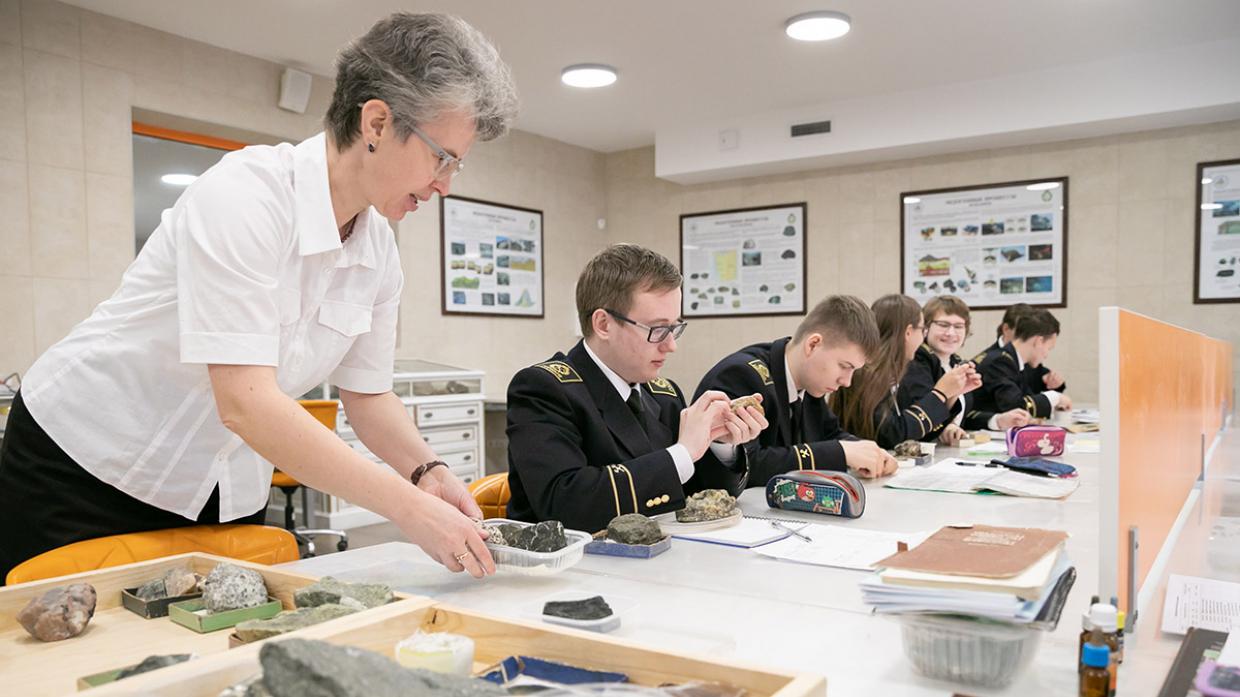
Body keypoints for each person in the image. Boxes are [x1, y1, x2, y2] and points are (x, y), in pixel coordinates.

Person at [0, 13, 520, 583]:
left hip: (220, 488)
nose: (445, 183)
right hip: (83, 464)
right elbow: (245, 402)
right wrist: (408, 508)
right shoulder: (245, 196)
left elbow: (369, 396)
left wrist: (428, 473)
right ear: (376, 122)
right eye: (442, 157)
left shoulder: (378, 252)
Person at [505, 245, 767, 533]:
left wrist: (718, 445)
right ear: (604, 324)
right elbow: (565, 504)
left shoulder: (664, 394)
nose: (671, 345)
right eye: (658, 330)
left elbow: (694, 495)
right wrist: (683, 452)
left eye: (674, 328)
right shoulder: (544, 388)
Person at [694, 295, 897, 485]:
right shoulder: (742, 375)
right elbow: (749, 463)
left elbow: (830, 434)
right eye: (844, 366)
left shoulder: (810, 384)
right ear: (813, 344)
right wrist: (841, 453)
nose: (847, 382)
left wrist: (870, 452)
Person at [832, 295, 981, 449]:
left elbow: (918, 432)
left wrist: (951, 394)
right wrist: (940, 394)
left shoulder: (888, 369)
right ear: (909, 332)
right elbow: (891, 435)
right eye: (922, 329)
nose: (923, 337)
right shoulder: (867, 371)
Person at [899, 295, 1031, 446]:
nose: (951, 333)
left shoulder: (956, 362)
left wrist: (997, 420)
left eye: (958, 326)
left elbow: (962, 416)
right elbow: (920, 416)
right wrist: (945, 427)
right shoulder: (916, 363)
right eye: (943, 325)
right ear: (926, 328)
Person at [972, 308, 1073, 418]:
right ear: (1038, 341)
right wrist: (1055, 397)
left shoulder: (1015, 361)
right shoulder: (1000, 362)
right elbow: (1014, 406)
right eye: (1049, 348)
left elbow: (1026, 398)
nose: (1046, 355)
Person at [991, 303, 1068, 395]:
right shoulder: (994, 362)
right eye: (1020, 329)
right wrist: (1051, 399)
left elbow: (1042, 379)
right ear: (1006, 329)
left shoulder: (1028, 360)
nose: (1026, 335)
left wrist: (1055, 383)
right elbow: (1014, 400)